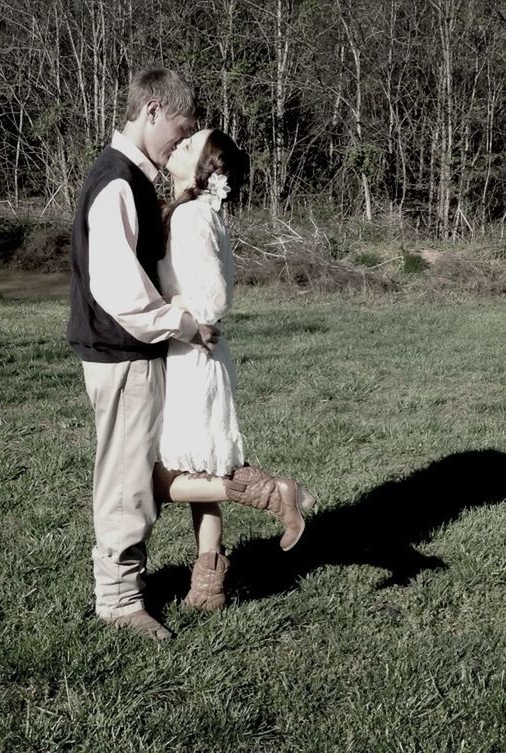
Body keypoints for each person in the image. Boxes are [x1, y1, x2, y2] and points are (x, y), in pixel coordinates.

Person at [67, 69, 220, 641]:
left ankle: (125, 583)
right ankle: (120, 601)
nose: (182, 142)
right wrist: (183, 324)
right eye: (180, 129)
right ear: (152, 110)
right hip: (122, 353)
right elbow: (119, 287)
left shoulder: (130, 179)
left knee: (131, 471)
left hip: (124, 352)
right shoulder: (118, 181)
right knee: (127, 478)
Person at [153, 128, 316, 612]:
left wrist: (164, 305)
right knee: (198, 468)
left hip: (192, 354)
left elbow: (214, 298)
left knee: (161, 479)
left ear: (209, 168)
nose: (178, 146)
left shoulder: (191, 217)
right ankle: (208, 588)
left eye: (189, 146)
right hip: (196, 353)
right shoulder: (198, 212)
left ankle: (269, 494)